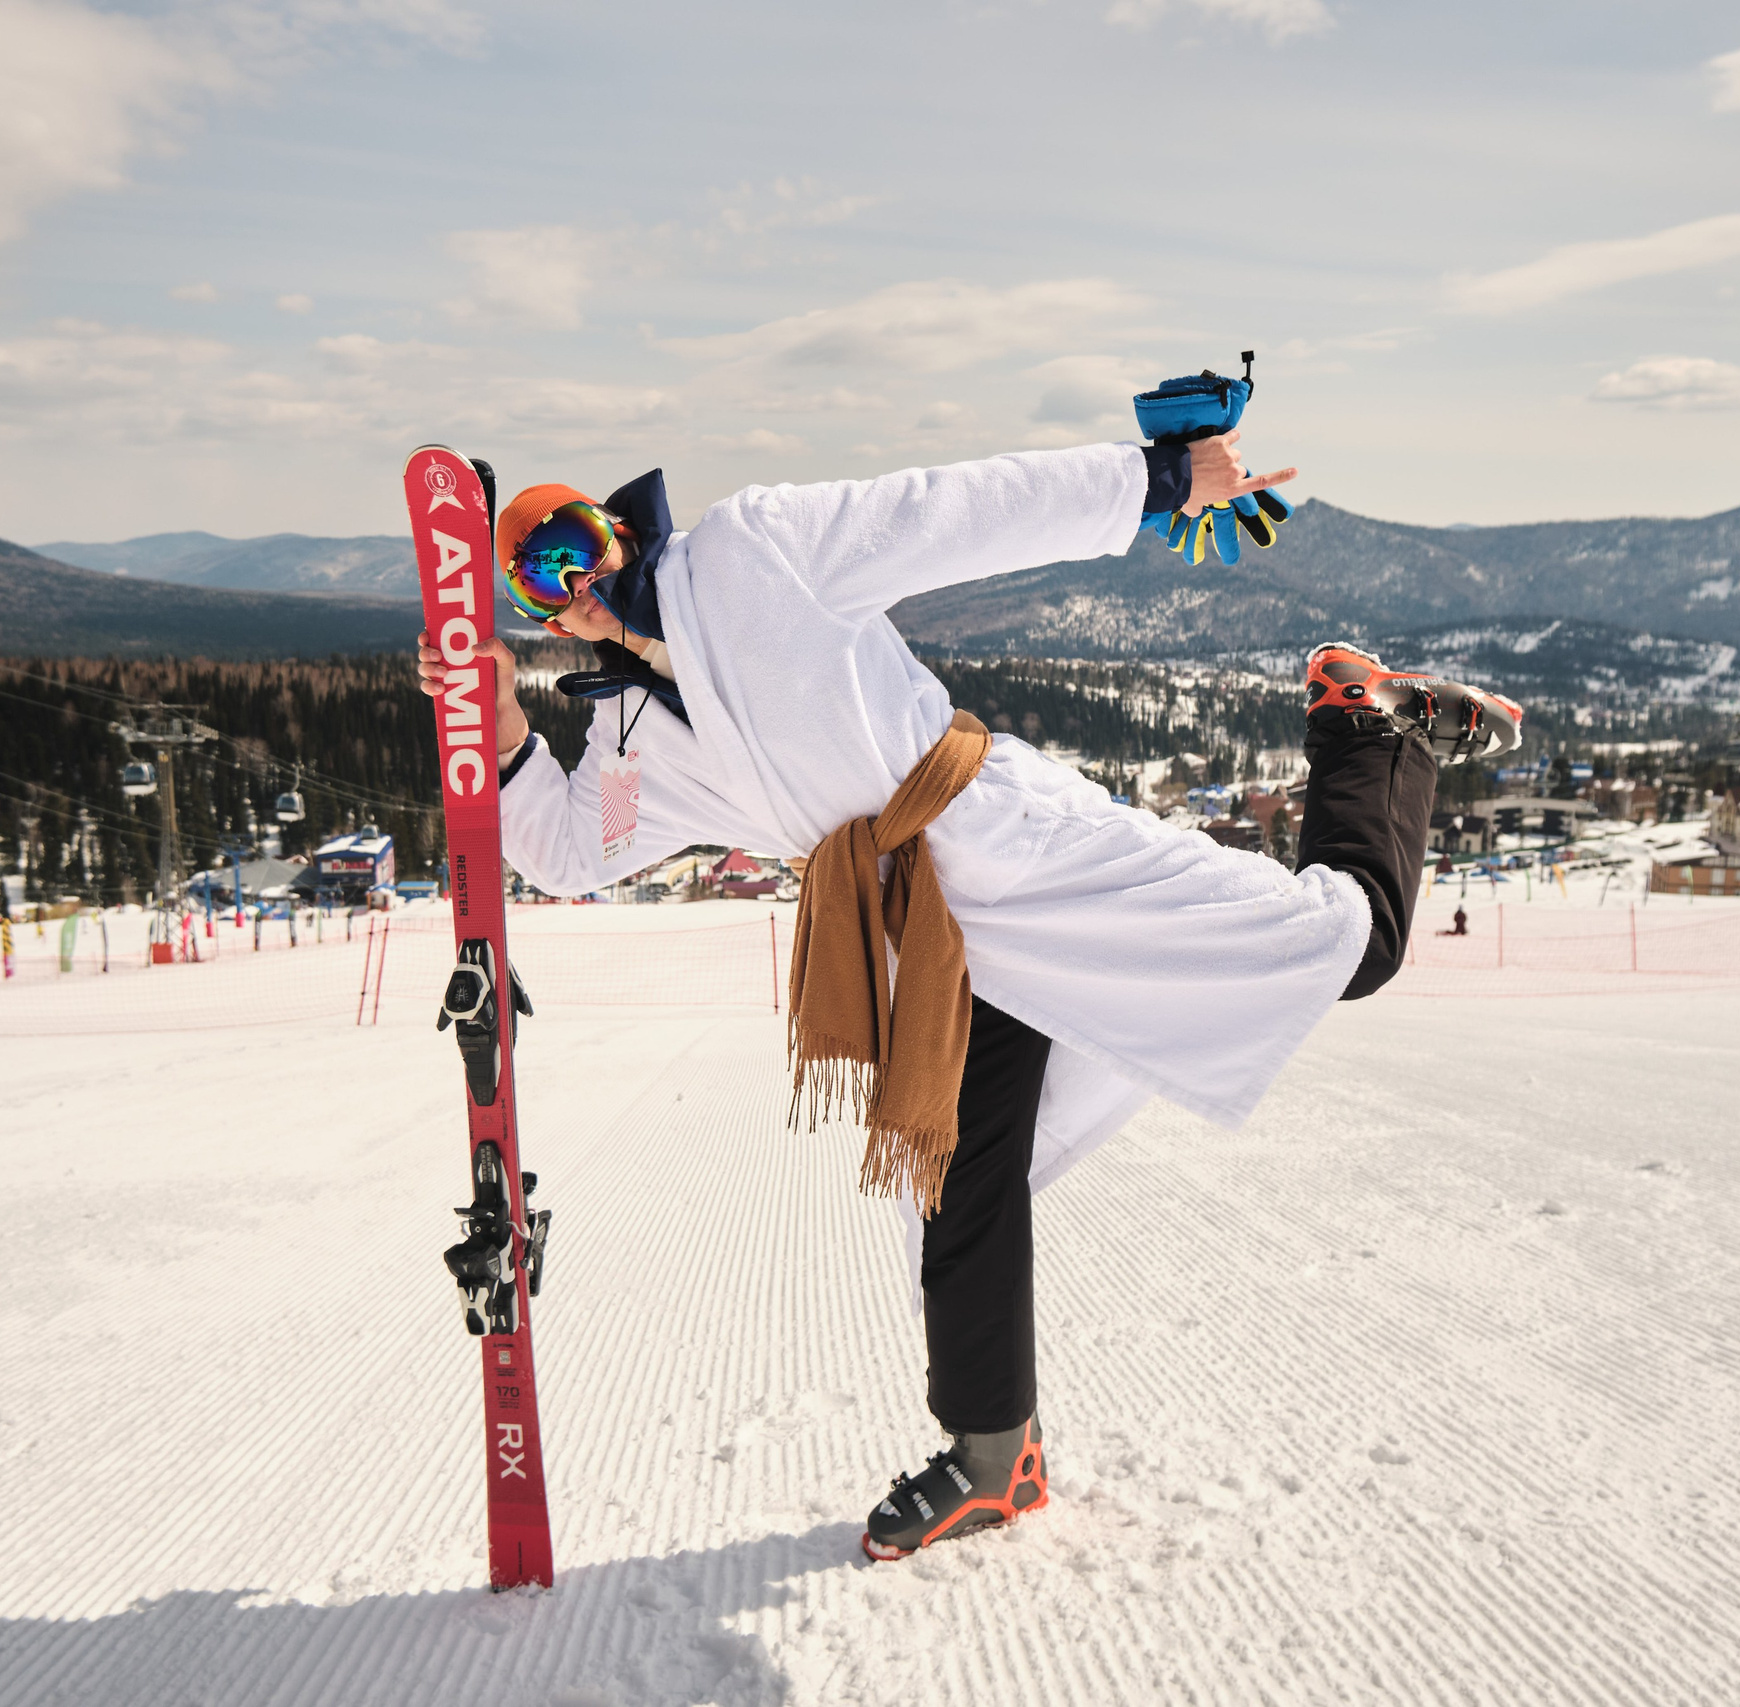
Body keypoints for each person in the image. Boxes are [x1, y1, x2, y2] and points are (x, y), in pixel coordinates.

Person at [416, 428, 1521, 1562]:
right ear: (539, 616)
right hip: (933, 937)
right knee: (949, 1174)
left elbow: (950, 508)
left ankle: (1370, 729)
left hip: (1028, 855)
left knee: (1348, 948)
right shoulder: (630, 735)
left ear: (619, 524)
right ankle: (995, 1459)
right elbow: (567, 852)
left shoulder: (751, 553)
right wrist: (499, 726)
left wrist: (1151, 480)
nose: (578, 581)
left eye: (576, 541)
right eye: (543, 578)